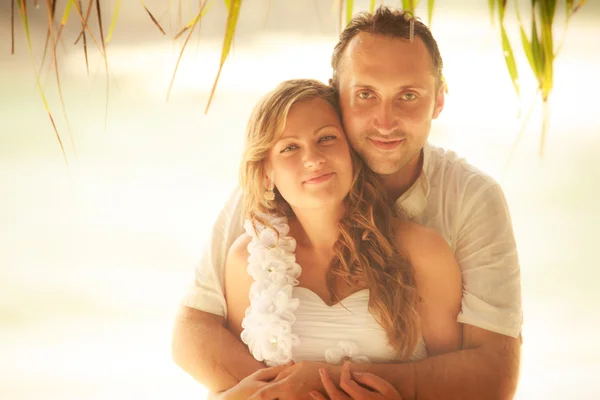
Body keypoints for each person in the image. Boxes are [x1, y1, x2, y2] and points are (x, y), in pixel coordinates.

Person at [172, 6, 523, 400]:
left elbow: (494, 375)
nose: (385, 121)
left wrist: (320, 383)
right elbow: (194, 328)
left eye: (408, 95)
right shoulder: (279, 190)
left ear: (438, 100)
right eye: (365, 95)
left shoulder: (469, 201)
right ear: (337, 98)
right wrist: (280, 392)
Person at [215, 78, 462, 399]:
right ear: (265, 172)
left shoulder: (422, 252)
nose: (313, 158)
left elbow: (458, 387)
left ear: (351, 151)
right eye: (290, 147)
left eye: (326, 138)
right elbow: (232, 389)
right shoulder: (248, 260)